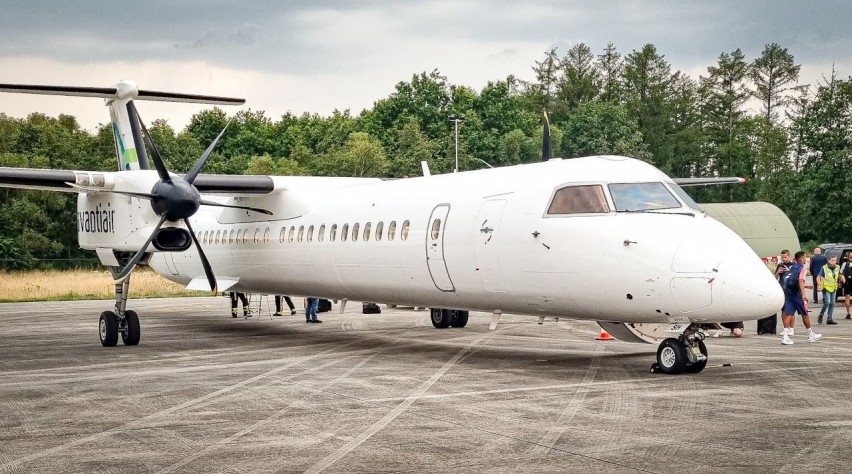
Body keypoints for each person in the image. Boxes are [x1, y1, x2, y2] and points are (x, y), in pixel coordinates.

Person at [781, 251, 821, 345]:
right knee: (804, 313)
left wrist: (806, 286)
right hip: (796, 294)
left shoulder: (792, 267)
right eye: (805, 257)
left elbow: (789, 280)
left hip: (788, 292)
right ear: (802, 258)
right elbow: (800, 280)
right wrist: (803, 294)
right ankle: (811, 335)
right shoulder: (803, 268)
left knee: (788, 314)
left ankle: (785, 337)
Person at [817, 255, 840, 325]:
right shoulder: (824, 268)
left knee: (832, 303)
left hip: (833, 287)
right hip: (826, 287)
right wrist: (819, 284)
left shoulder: (837, 267)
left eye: (835, 260)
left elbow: (837, 275)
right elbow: (818, 277)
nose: (834, 262)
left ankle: (829, 318)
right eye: (832, 260)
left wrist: (842, 277)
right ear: (829, 261)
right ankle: (821, 315)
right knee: (827, 302)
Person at [841, 254, 852, 319]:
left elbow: (841, 273)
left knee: (847, 298)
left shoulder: (845, 264)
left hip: (847, 282)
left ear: (848, 257)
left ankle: (848, 313)